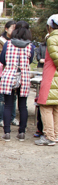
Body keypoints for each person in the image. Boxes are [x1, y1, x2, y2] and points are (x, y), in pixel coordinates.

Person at [0, 21, 35, 141]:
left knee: (8, 105)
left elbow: (2, 60)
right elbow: (30, 61)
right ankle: (22, 133)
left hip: (9, 74)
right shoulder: (31, 45)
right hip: (23, 75)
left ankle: (7, 132)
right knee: (23, 105)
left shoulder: (8, 44)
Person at [35, 15, 58, 146]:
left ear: (50, 26)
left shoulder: (52, 38)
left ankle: (49, 136)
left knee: (45, 106)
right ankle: (55, 135)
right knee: (55, 107)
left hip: (51, 77)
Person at [0, 20, 17, 127]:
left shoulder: (16, 41)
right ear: (6, 29)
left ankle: (12, 117)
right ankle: (0, 118)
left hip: (15, 73)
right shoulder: (0, 41)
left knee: (14, 96)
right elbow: (0, 56)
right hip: (3, 72)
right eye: (12, 27)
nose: (14, 30)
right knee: (2, 96)